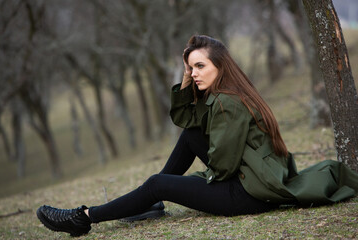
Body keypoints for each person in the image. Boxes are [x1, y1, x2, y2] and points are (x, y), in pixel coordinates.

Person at [36, 35, 358, 237]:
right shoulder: (229, 93)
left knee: (157, 182)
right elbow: (188, 121)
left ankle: (84, 218)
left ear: (220, 65)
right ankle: (150, 203)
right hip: (252, 180)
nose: (193, 73)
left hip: (248, 194)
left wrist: (196, 179)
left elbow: (224, 166)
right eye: (190, 68)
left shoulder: (227, 103)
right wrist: (188, 86)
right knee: (191, 136)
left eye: (200, 66)